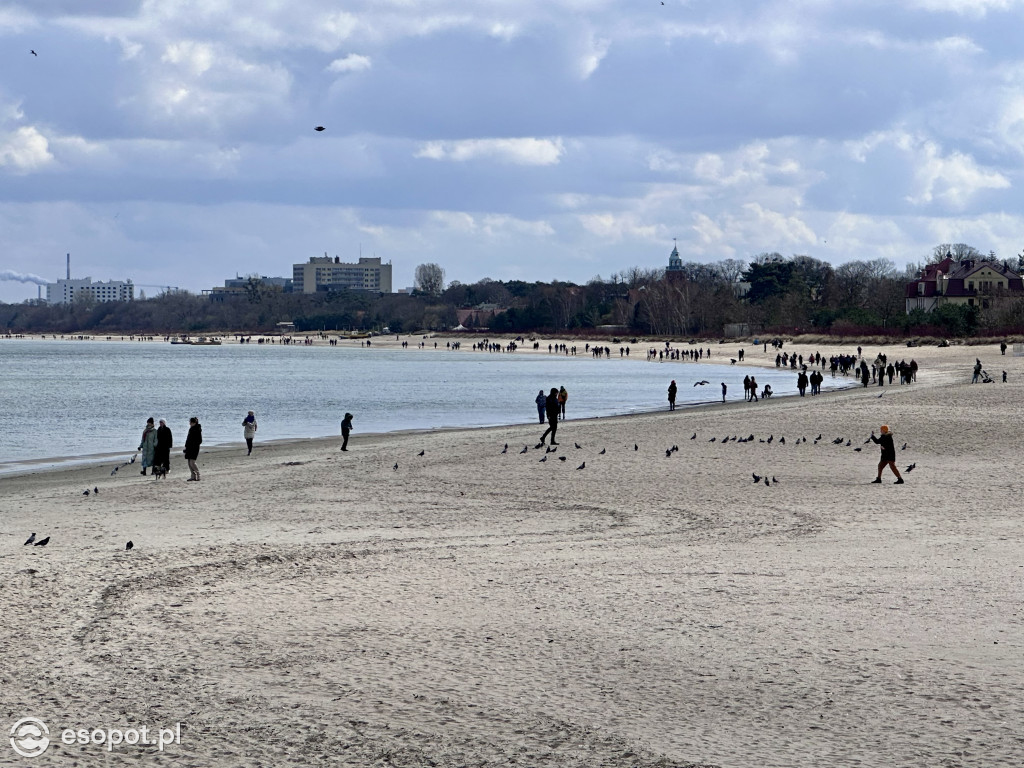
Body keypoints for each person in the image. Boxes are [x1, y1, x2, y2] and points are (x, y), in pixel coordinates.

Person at [184, 416, 203, 482]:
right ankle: (193, 476)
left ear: (194, 422)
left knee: (192, 462)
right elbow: (188, 438)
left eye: (191, 422)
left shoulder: (198, 429)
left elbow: (200, 440)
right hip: (189, 447)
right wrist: (186, 446)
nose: (190, 423)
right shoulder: (191, 429)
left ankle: (198, 474)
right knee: (189, 462)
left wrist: (194, 444)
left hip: (195, 448)